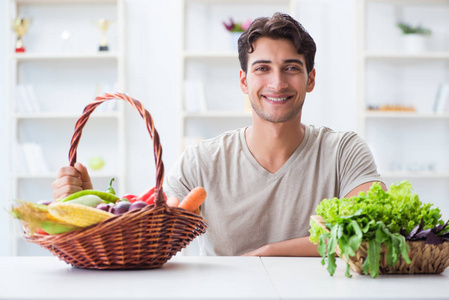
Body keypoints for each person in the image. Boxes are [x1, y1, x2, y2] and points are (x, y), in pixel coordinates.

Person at [52, 12, 385, 257]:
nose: (278, 82)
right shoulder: (202, 161)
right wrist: (95, 212)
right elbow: (150, 236)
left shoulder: (344, 151)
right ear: (244, 81)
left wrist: (266, 254)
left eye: (292, 68)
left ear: (310, 79)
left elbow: (372, 233)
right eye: (263, 68)